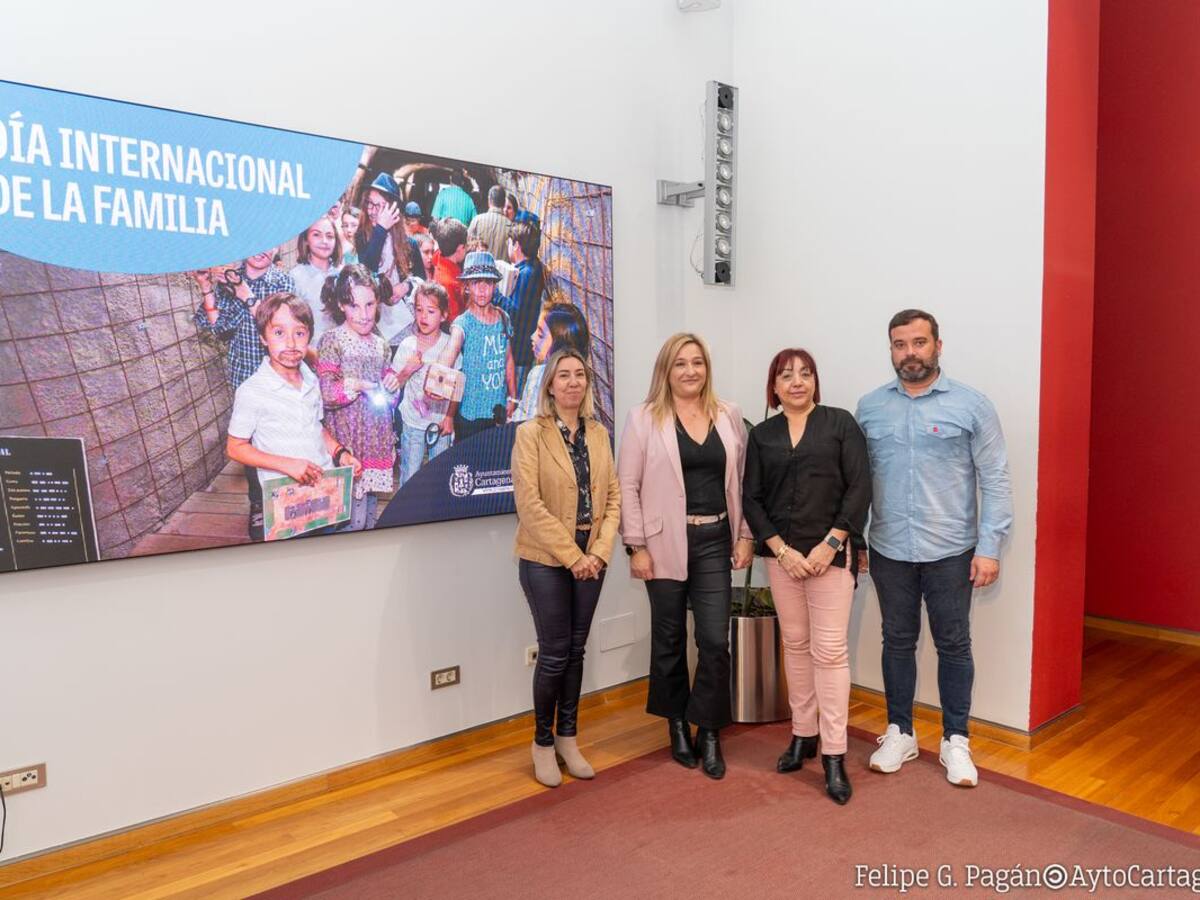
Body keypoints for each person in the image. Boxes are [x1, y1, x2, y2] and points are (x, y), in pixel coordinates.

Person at [856, 309, 1013, 788]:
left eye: (919, 343)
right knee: (896, 642)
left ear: (938, 346)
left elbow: (996, 479)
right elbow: (857, 481)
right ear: (890, 350)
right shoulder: (870, 408)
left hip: (951, 550)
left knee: (954, 644)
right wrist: (857, 541)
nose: (910, 353)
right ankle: (899, 731)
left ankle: (955, 740)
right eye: (900, 344)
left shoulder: (972, 406)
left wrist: (989, 548)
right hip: (888, 549)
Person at [617, 333, 755, 779]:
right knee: (670, 639)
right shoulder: (643, 419)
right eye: (680, 364)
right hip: (662, 545)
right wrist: (636, 546)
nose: (690, 371)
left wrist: (745, 536)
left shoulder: (728, 414)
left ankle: (709, 730)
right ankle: (676, 722)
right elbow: (628, 486)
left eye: (697, 362)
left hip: (716, 538)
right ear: (666, 371)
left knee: (715, 641)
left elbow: (744, 482)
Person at [742, 349, 871, 804]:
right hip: (782, 559)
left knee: (830, 651)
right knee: (795, 646)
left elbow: (860, 488)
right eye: (786, 375)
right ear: (774, 387)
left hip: (831, 558)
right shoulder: (763, 435)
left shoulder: (840, 424)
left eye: (805, 373)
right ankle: (803, 734)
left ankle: (834, 754)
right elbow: (751, 498)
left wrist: (830, 544)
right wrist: (780, 549)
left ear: (816, 381)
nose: (796, 381)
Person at [512, 348, 621, 787]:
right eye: (564, 375)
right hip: (546, 561)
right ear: (550, 385)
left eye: (580, 374)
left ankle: (568, 739)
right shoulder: (530, 434)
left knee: (577, 651)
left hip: (593, 559)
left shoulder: (598, 433)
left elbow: (612, 497)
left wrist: (598, 552)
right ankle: (541, 743)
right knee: (555, 654)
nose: (573, 382)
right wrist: (574, 557)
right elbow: (530, 505)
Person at [226, 292, 361, 538]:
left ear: (309, 336)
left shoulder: (310, 378)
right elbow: (235, 447)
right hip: (285, 501)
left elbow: (315, 427)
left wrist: (339, 453)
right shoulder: (252, 391)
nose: (290, 343)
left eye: (299, 333)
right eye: (278, 333)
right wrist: (288, 465)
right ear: (262, 338)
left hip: (323, 489)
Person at [193, 253, 295, 540]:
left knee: (280, 439)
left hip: (280, 375)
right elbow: (218, 327)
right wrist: (206, 287)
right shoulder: (229, 281)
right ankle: (258, 503)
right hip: (246, 376)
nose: (263, 249)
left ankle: (285, 499)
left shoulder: (283, 281)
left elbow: (279, 328)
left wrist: (246, 295)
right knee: (250, 447)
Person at [315, 266, 400, 531]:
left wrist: (392, 385)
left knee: (369, 517)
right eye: (354, 306)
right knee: (347, 520)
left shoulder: (380, 344)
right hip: (346, 445)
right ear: (341, 305)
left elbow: (388, 397)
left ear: (378, 302)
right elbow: (327, 393)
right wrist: (357, 385)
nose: (364, 315)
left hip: (376, 442)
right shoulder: (332, 340)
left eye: (370, 304)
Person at [437, 251, 515, 442]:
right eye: (475, 282)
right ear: (467, 287)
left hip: (497, 410)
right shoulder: (462, 324)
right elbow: (449, 354)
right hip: (470, 413)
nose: (481, 289)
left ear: (494, 286)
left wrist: (513, 397)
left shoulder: (504, 318)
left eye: (487, 282)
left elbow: (508, 359)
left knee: (493, 464)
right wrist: (438, 378)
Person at [392, 282, 455, 486]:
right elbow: (393, 385)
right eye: (419, 310)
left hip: (439, 424)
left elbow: (457, 386)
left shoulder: (449, 345)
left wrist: (449, 417)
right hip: (412, 424)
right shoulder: (407, 345)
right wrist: (408, 369)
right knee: (409, 476)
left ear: (444, 315)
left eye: (430, 311)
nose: (423, 316)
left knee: (439, 478)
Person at [513, 302, 589, 423]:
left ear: (560, 345)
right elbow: (523, 410)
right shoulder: (536, 373)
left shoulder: (571, 389)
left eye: (541, 334)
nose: (533, 337)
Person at [499, 211, 546, 394]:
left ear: (516, 245)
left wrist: (495, 294)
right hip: (521, 350)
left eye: (509, 242)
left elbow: (515, 312)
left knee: (513, 395)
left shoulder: (527, 274)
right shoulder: (531, 267)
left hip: (518, 352)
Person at [289, 216, 343, 342]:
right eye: (316, 235)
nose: (324, 241)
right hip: (310, 350)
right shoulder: (295, 276)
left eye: (330, 236)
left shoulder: (343, 273)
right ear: (306, 239)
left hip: (342, 348)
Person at [429, 218, 469, 321]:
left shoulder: (437, 255)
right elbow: (454, 321)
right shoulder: (448, 283)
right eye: (466, 246)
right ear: (460, 248)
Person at [467, 184, 512, 262]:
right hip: (501, 273)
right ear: (504, 202)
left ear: (489, 200)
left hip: (478, 271)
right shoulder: (511, 227)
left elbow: (467, 247)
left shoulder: (477, 220)